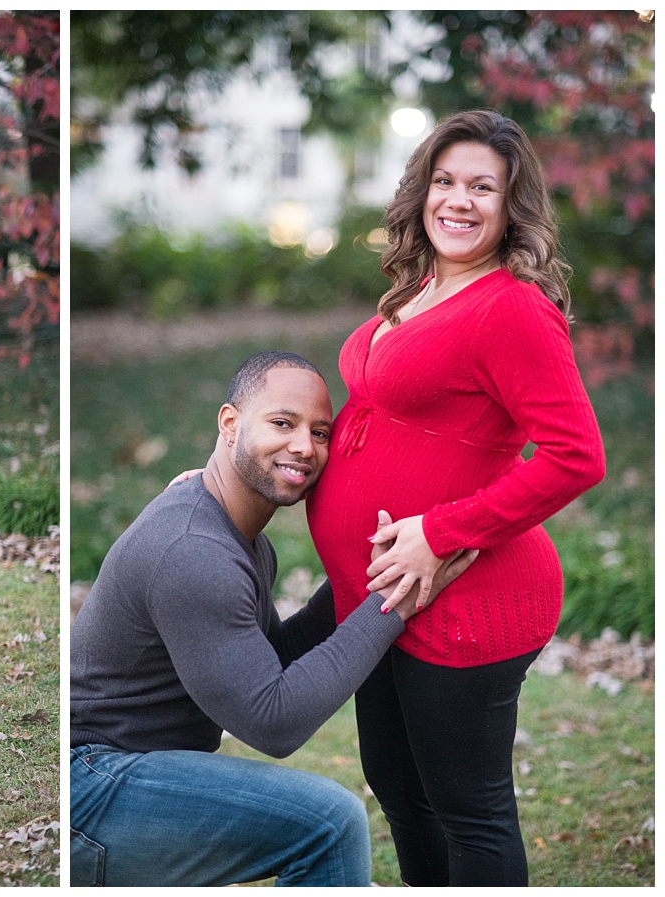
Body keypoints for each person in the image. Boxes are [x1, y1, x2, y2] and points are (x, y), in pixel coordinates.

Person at [304, 110, 606, 886]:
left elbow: (575, 456)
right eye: (445, 181)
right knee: (402, 792)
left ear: (512, 206)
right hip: (378, 595)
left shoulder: (513, 306)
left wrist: (440, 533)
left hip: (465, 597)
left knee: (470, 812)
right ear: (422, 190)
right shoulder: (420, 285)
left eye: (483, 186)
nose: (459, 201)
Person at [70, 351, 475, 887]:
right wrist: (396, 599)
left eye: (321, 433)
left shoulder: (237, 537)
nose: (304, 447)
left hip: (129, 771)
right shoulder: (195, 550)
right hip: (89, 788)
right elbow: (273, 721)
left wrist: (368, 574)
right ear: (230, 424)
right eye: (282, 423)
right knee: (329, 823)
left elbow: (267, 663)